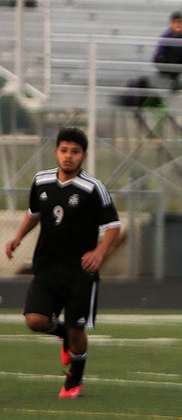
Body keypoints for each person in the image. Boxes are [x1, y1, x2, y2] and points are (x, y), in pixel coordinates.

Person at [4, 128, 122, 398]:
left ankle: (74, 379)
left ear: (84, 155)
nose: (69, 156)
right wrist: (18, 237)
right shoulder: (41, 181)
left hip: (80, 272)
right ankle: (63, 336)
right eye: (64, 150)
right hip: (47, 267)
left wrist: (99, 253)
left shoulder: (93, 188)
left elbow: (113, 225)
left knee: (77, 328)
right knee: (34, 320)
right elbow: (34, 213)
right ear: (56, 152)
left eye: (75, 152)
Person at [152, 11, 182, 90]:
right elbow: (158, 55)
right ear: (171, 23)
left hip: (181, 61)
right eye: (175, 22)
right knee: (172, 50)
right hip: (167, 62)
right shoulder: (166, 36)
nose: (178, 25)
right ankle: (173, 80)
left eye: (180, 22)